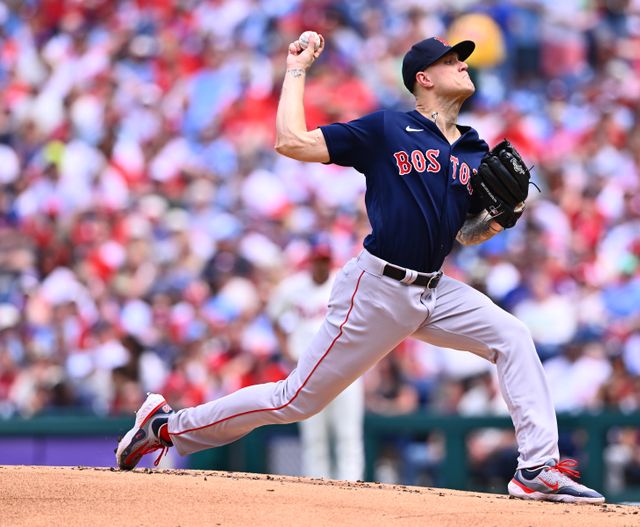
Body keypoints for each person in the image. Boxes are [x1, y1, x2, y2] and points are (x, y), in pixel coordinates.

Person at [116, 32, 605, 503]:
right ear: (423, 79)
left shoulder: (475, 147)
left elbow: (466, 233)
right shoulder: (388, 129)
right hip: (377, 288)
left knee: (513, 336)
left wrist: (501, 219)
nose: (463, 63)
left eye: (463, 58)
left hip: (435, 290)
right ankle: (165, 427)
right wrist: (296, 70)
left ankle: (537, 468)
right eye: (451, 59)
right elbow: (291, 141)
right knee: (294, 401)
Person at [268, 240, 365, 481]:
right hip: (308, 370)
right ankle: (316, 487)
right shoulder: (293, 287)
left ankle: (350, 487)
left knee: (348, 434)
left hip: (345, 368)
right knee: (314, 436)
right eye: (317, 260)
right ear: (310, 262)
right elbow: (274, 316)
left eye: (324, 260)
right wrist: (286, 348)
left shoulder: (342, 282)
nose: (320, 265)